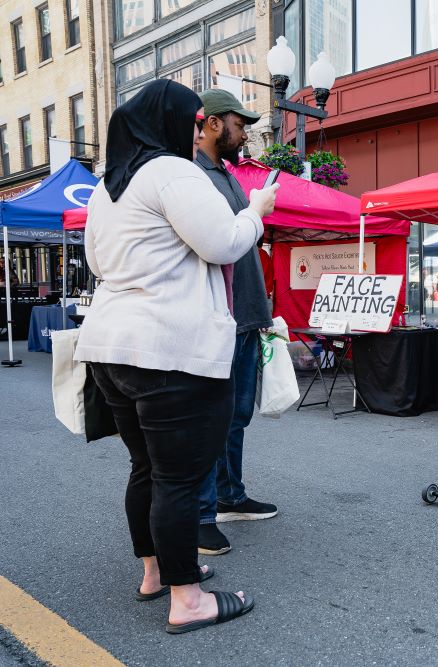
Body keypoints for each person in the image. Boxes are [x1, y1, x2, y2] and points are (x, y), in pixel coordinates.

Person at [74, 79, 278, 634]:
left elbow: (99, 264)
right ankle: (187, 599)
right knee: (179, 477)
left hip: (111, 350)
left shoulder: (106, 188)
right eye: (193, 121)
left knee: (147, 468)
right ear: (166, 123)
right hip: (169, 350)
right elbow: (222, 243)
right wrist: (256, 210)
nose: (198, 131)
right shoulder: (171, 172)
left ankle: (155, 572)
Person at [194, 89, 278, 557]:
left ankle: (230, 496)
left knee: (236, 416)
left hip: (245, 315)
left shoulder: (226, 174)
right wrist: (255, 212)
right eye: (238, 123)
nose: (244, 131)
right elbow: (218, 242)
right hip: (219, 318)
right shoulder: (193, 176)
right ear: (211, 124)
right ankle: (204, 513)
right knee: (213, 418)